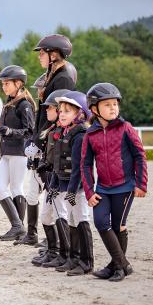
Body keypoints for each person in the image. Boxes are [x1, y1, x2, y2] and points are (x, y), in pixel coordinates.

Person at [81, 83, 147, 282]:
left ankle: (116, 267)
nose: (113, 108)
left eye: (115, 104)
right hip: (102, 189)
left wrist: (141, 183)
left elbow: (140, 156)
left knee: (118, 226)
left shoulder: (126, 128)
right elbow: (85, 164)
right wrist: (89, 191)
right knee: (101, 222)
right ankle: (123, 265)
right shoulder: (90, 134)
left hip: (125, 187)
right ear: (94, 109)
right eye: (107, 104)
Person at [18, 34, 77, 247]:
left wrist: (41, 141)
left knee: (52, 193)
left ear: (54, 54)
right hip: (42, 137)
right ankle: (34, 234)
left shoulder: (63, 77)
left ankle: (58, 240)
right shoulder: (53, 75)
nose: (39, 56)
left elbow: (56, 114)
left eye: (42, 53)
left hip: (51, 140)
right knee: (34, 190)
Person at [52, 91, 94, 276]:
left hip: (78, 187)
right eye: (61, 111)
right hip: (67, 186)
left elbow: (78, 167)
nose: (61, 114)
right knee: (71, 220)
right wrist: (54, 185)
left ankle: (87, 262)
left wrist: (71, 191)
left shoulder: (80, 136)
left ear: (80, 114)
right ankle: (74, 258)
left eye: (67, 111)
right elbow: (57, 163)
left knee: (81, 218)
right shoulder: (65, 132)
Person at [0, 65, 36, 241]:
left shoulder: (24, 104)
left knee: (16, 188)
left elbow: (30, 131)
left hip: (19, 152)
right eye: (3, 83)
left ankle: (17, 227)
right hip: (6, 151)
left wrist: (10, 131)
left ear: (18, 83)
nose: (3, 86)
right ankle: (18, 225)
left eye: (7, 83)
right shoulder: (9, 103)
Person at [30, 89, 70, 266]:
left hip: (60, 181)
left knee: (61, 213)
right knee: (46, 215)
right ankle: (53, 250)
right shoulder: (52, 129)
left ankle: (65, 253)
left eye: (50, 108)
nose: (46, 110)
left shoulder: (65, 132)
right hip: (51, 180)